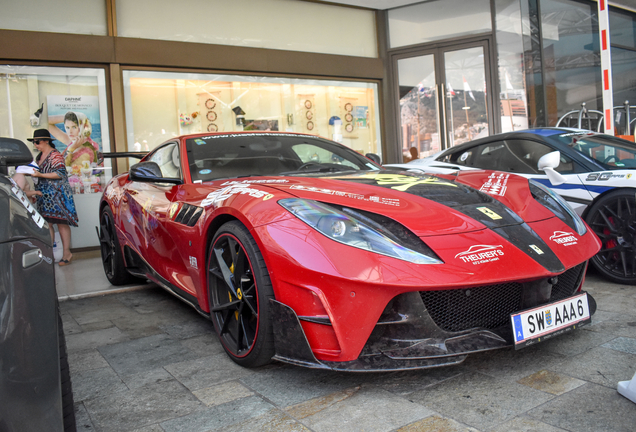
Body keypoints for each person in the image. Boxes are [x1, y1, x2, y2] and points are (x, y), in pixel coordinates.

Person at [28, 129, 79, 265]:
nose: (35, 144)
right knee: (47, 223)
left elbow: (60, 173)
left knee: (61, 222)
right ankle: (49, 254)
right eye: (34, 142)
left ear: (46, 141)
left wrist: (40, 175)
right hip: (44, 196)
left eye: (37, 142)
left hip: (58, 195)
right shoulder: (39, 156)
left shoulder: (55, 155)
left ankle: (66, 253)